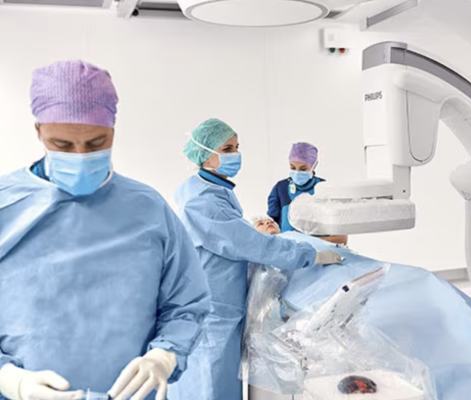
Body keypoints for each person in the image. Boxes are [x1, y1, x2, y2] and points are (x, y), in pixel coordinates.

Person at [0, 61, 212, 400]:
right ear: (38, 131)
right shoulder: (6, 205)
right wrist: (10, 379)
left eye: (96, 142)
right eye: (63, 145)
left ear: (113, 130)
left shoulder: (148, 209)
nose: (81, 156)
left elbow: (186, 302)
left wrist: (164, 355)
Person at [170, 118, 342, 400]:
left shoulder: (208, 188)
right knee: (210, 385)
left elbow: (238, 239)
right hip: (213, 311)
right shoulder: (204, 201)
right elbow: (250, 243)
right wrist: (312, 254)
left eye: (236, 147)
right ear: (204, 155)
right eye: (227, 149)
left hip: (214, 301)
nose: (235, 154)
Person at [267, 143, 348, 245]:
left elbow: (341, 236)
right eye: (292, 167)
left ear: (314, 165)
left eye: (303, 169)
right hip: (289, 248)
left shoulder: (324, 188)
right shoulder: (281, 188)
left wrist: (308, 241)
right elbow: (271, 227)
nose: (297, 172)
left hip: (320, 248)